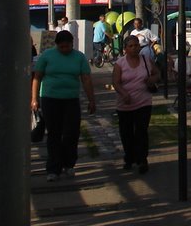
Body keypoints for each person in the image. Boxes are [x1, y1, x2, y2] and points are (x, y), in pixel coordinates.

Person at [31, 30, 96, 182]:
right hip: (50, 98)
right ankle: (53, 168)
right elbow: (37, 77)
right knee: (54, 133)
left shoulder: (79, 57)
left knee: (71, 133)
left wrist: (91, 99)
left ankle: (69, 163)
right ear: (57, 45)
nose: (65, 50)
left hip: (71, 99)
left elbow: (86, 79)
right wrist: (34, 99)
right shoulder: (47, 56)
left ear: (72, 44)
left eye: (67, 47)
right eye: (62, 47)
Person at [112, 35, 159, 174]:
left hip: (143, 102)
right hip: (125, 104)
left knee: (141, 131)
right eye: (130, 46)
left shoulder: (146, 60)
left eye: (136, 45)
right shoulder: (120, 64)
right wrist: (123, 93)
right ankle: (129, 157)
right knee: (126, 133)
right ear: (125, 48)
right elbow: (115, 82)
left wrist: (153, 78)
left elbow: (158, 73)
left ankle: (142, 159)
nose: (134, 48)